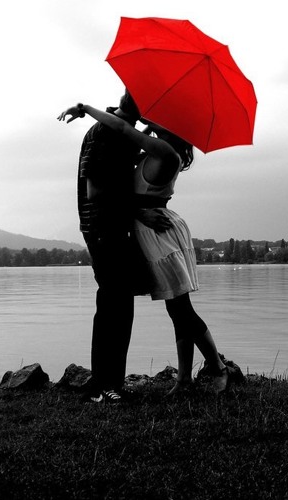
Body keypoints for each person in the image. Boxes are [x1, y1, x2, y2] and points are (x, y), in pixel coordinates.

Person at [62, 101, 230, 395]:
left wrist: (87, 108)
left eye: (165, 117)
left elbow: (122, 127)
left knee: (180, 309)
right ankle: (184, 379)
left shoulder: (164, 152)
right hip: (150, 233)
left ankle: (217, 366)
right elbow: (122, 156)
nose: (156, 117)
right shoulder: (152, 151)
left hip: (160, 236)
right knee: (177, 308)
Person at [57, 91, 170, 403]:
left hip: (115, 227)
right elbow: (96, 190)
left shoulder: (121, 132)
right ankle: (102, 386)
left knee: (120, 305)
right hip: (103, 228)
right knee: (111, 306)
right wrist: (140, 211)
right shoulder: (104, 133)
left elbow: (121, 169)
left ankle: (112, 383)